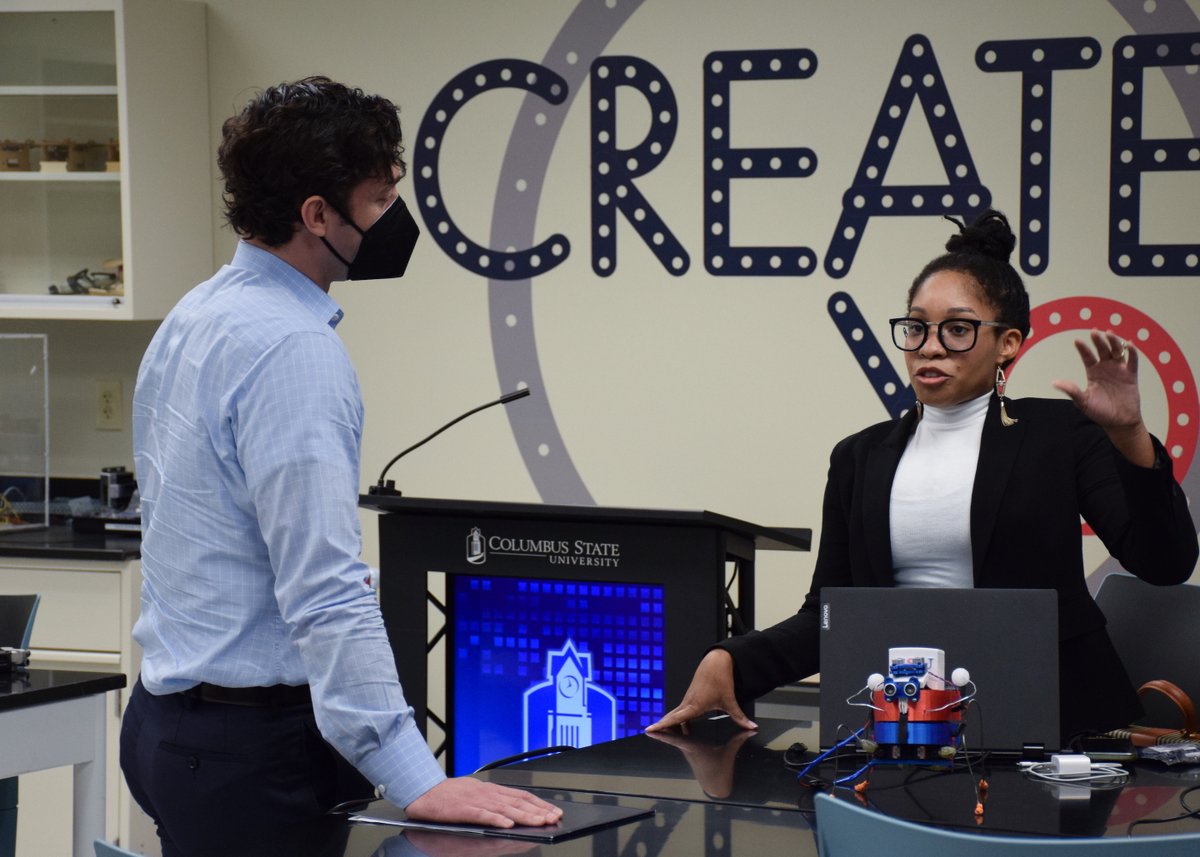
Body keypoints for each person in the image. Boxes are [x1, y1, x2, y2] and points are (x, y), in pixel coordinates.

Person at [121, 77, 561, 856]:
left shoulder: (194, 316)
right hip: (251, 758)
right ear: (317, 214)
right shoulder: (294, 350)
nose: (395, 217)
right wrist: (416, 776)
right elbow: (325, 587)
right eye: (381, 197)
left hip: (165, 726)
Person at [648, 209, 1198, 744]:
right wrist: (729, 659)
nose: (930, 346)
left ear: (1008, 343)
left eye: (957, 329)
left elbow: (1164, 561)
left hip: (1054, 724)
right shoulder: (858, 458)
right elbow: (830, 616)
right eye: (916, 327)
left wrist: (1129, 437)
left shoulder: (1060, 433)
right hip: (902, 726)